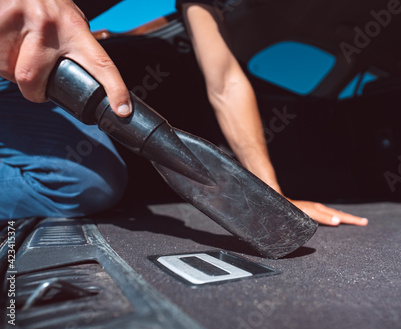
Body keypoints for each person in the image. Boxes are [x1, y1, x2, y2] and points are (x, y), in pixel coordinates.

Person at [0, 0, 368, 226]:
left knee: (92, 183)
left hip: (26, 77)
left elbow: (225, 81)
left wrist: (269, 196)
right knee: (85, 183)